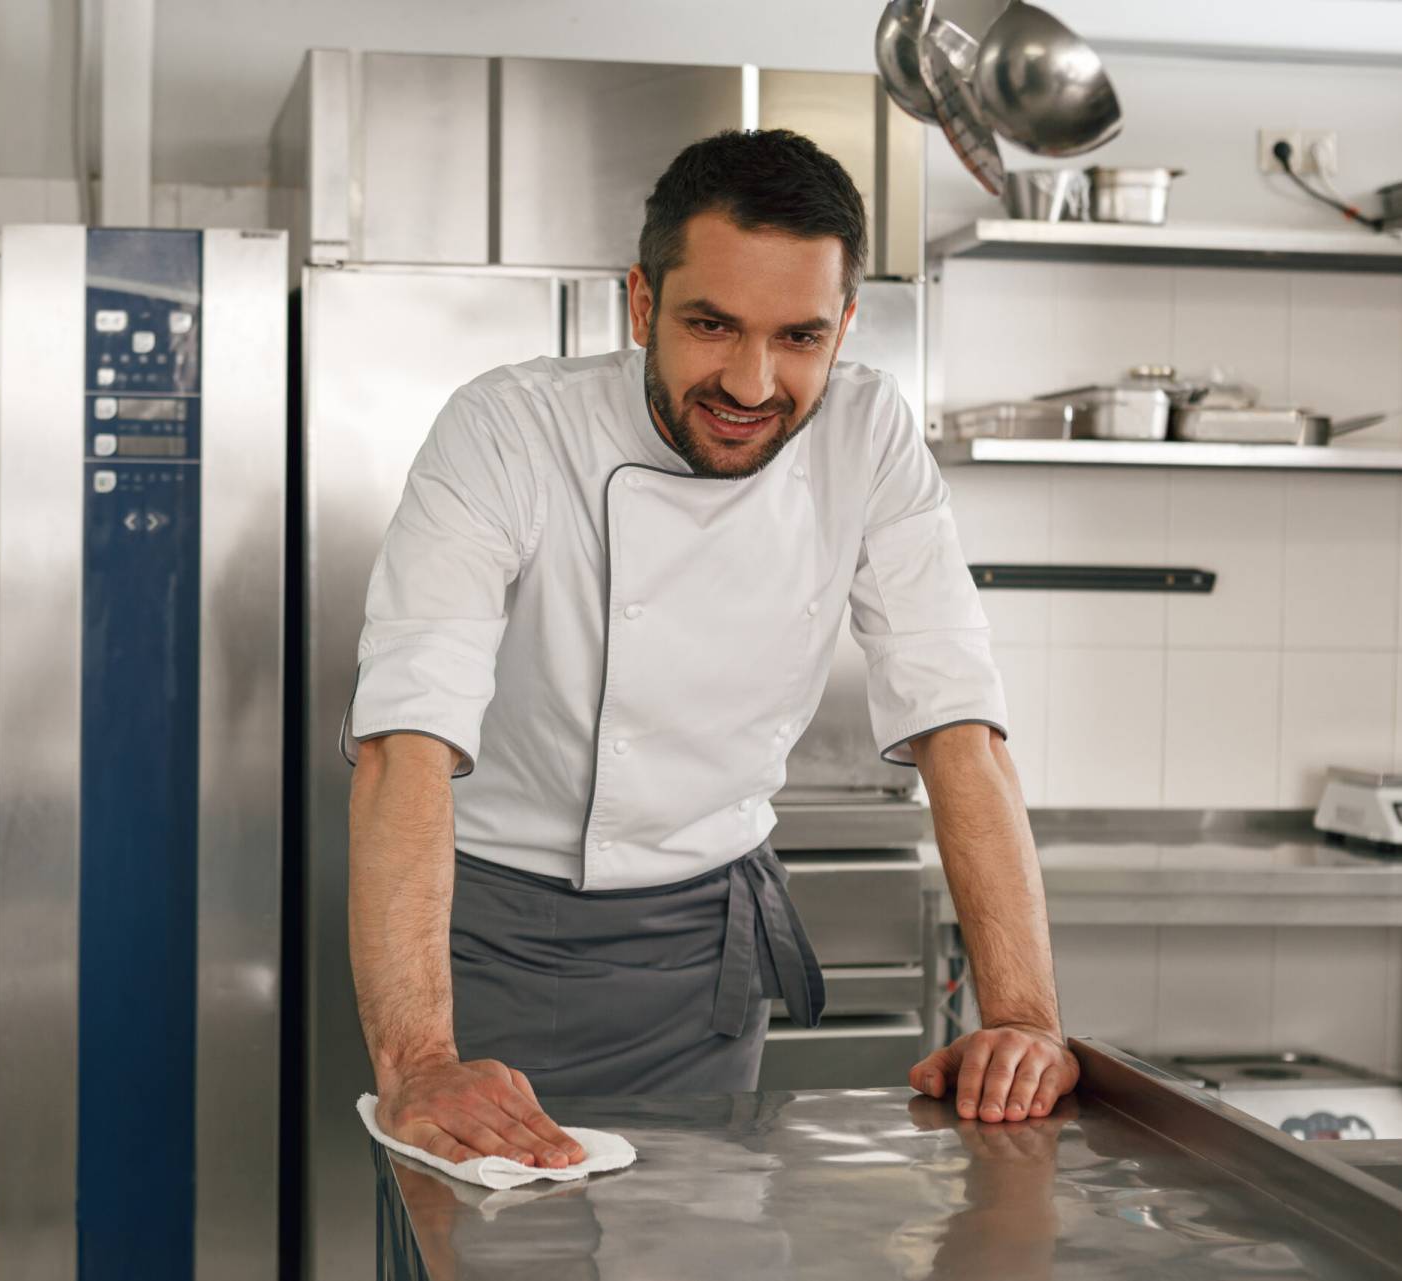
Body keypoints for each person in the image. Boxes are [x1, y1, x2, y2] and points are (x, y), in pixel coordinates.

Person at [344, 129, 1078, 1171]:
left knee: (701, 1224)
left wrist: (1024, 1019)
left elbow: (957, 718)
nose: (751, 381)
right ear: (642, 304)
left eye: (799, 337)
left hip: (707, 947)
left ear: (844, 325)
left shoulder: (868, 434)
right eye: (710, 325)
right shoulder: (508, 430)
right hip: (486, 938)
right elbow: (405, 736)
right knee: (485, 1232)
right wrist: (420, 1060)